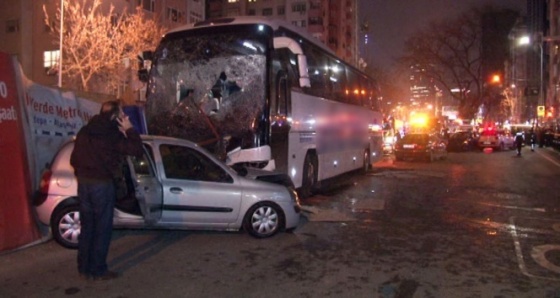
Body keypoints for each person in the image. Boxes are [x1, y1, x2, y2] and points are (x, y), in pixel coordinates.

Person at [70, 100, 143, 281]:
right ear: (115, 116)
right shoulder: (112, 134)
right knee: (102, 228)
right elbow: (137, 150)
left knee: (87, 227)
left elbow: (74, 159)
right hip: (101, 184)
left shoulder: (85, 131)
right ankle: (98, 269)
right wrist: (129, 129)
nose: (123, 117)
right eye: (121, 114)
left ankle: (84, 268)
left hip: (84, 184)